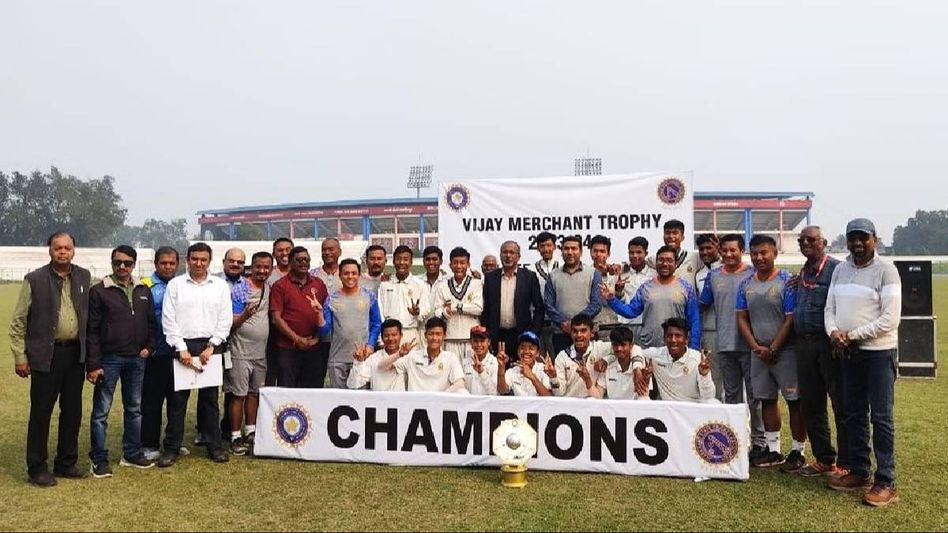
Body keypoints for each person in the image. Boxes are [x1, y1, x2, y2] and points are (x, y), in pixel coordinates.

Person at [825, 218, 902, 507]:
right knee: (853, 413)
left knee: (881, 417)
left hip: (878, 353)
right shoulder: (841, 269)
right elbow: (829, 308)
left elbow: (889, 319)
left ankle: (886, 481)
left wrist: (852, 335)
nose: (857, 243)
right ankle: (860, 472)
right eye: (852, 238)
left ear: (875, 240)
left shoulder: (887, 271)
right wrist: (833, 332)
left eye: (863, 238)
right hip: (848, 352)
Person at [10, 232, 91, 487]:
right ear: (50, 251)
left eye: (67, 248)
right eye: (58, 248)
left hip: (75, 354)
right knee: (41, 412)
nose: (63, 252)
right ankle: (37, 467)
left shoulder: (83, 277)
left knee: (72, 411)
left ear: (74, 250)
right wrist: (20, 357)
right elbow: (18, 321)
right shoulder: (35, 279)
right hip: (46, 355)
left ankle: (66, 462)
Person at [158, 242, 233, 467]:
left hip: (211, 346)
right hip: (183, 345)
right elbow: (168, 319)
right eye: (195, 259)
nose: (199, 263)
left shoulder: (219, 286)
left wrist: (213, 345)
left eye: (203, 259)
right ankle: (171, 448)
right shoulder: (176, 285)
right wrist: (181, 348)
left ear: (209, 261)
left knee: (210, 400)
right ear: (187, 260)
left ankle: (214, 446)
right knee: (177, 401)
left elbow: (225, 318)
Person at [736, 234, 807, 471]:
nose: (759, 257)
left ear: (775, 253)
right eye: (754, 253)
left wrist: (774, 347)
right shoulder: (746, 284)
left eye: (764, 252)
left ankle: (798, 451)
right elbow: (741, 318)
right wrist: (756, 346)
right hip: (759, 352)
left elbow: (790, 319)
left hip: (785, 351)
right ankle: (773, 450)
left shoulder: (787, 280)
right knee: (766, 400)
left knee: (794, 401)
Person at [86, 245, 157, 477]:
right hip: (109, 360)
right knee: (101, 412)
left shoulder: (143, 290)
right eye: (117, 262)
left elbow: (150, 324)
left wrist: (149, 347)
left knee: (134, 409)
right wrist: (94, 364)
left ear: (134, 264)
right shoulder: (99, 291)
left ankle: (132, 453)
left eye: (127, 263)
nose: (122, 267)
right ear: (112, 263)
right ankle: (98, 458)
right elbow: (92, 331)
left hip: (136, 359)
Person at [697, 234, 766, 460]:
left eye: (732, 250)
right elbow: (702, 303)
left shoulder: (753, 273)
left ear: (741, 250)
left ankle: (759, 442)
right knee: (732, 396)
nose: (728, 254)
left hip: (751, 345)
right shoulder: (713, 276)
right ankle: (735, 440)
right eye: (724, 250)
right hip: (724, 344)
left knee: (755, 397)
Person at [793, 226, 849, 478]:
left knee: (841, 403)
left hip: (829, 345)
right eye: (802, 240)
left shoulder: (838, 269)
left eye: (812, 239)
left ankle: (848, 462)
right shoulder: (804, 271)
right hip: (804, 345)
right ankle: (824, 458)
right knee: (811, 405)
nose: (806, 243)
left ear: (824, 242)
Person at [602, 245, 701, 350]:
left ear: (676, 264)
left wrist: (693, 348)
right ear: (656, 263)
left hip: (676, 348)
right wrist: (611, 300)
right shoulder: (646, 287)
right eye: (661, 260)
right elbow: (631, 311)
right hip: (650, 348)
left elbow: (694, 320)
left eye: (669, 260)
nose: (665, 264)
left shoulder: (686, 288)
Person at [224, 251, 273, 456]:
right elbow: (231, 322)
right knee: (238, 395)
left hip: (260, 353)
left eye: (266, 267)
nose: (262, 271)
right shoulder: (240, 288)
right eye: (258, 266)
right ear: (251, 267)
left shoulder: (268, 288)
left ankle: (250, 431)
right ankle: (235, 436)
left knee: (254, 394)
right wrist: (245, 315)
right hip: (239, 351)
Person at [141, 247, 187, 462]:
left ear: (178, 264)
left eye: (171, 263)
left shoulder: (183, 285)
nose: (168, 267)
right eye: (163, 263)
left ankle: (173, 442)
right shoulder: (145, 286)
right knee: (152, 400)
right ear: (156, 264)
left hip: (180, 353)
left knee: (177, 401)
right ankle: (149, 444)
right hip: (155, 352)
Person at [269, 246, 329, 388]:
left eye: (306, 260)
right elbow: (276, 318)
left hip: (314, 347)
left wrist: (317, 338)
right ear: (290, 262)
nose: (303, 263)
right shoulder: (280, 286)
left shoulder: (318, 284)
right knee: (288, 390)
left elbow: (325, 313)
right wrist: (297, 339)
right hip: (288, 348)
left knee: (313, 390)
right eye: (299, 260)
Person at [318, 258, 382, 388]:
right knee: (339, 400)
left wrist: (370, 344)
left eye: (354, 273)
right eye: (346, 273)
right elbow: (325, 330)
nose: (350, 277)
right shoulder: (331, 299)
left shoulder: (369, 296)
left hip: (362, 357)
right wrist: (318, 313)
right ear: (340, 276)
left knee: (361, 399)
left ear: (359, 275)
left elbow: (376, 323)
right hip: (338, 359)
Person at [480, 241, 544, 364]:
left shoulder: (529, 277)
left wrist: (533, 333)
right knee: (498, 371)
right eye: (505, 252)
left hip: (521, 335)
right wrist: (487, 334)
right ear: (500, 255)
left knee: (521, 371)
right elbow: (486, 309)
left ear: (518, 257)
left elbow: (539, 308)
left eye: (512, 252)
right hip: (496, 335)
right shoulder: (491, 278)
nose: (508, 256)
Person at [631, 318, 717, 403]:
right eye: (669, 336)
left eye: (678, 336)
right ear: (664, 338)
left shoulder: (697, 359)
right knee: (641, 399)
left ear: (686, 339)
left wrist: (704, 376)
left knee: (714, 403)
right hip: (668, 411)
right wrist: (637, 369)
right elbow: (635, 349)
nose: (673, 340)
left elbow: (709, 397)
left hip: (693, 409)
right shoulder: (657, 355)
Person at [544, 235, 603, 356]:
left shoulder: (593, 274)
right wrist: (563, 323)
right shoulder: (553, 276)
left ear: (581, 252)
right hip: (561, 333)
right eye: (566, 249)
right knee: (562, 371)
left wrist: (576, 324)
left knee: (590, 370)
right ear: (561, 252)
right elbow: (548, 305)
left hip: (587, 334)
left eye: (574, 249)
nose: (570, 252)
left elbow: (596, 303)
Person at [380, 317, 466, 392]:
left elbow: (460, 383)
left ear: (444, 336)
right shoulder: (413, 356)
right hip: (416, 406)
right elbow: (381, 367)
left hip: (439, 405)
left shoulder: (450, 357)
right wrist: (399, 354)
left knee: (463, 392)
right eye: (431, 334)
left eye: (438, 334)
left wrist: (439, 397)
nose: (434, 338)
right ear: (425, 335)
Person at [433, 247, 484, 359]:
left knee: (472, 373)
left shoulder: (476, 284)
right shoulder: (442, 286)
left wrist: (456, 306)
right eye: (455, 263)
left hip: (472, 339)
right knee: (452, 374)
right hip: (450, 339)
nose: (459, 266)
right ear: (450, 265)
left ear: (468, 264)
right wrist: (445, 312)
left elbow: (478, 308)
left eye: (462, 263)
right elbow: (437, 311)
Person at [547, 314, 614, 398]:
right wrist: (553, 377)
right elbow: (559, 393)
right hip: (570, 405)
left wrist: (606, 360)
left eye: (583, 331)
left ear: (592, 333)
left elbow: (628, 349)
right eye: (575, 331)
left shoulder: (600, 348)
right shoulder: (562, 357)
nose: (578, 335)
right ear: (570, 333)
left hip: (593, 405)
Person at [378, 246, 430, 348]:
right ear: (393, 261)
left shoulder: (420, 285)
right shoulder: (385, 285)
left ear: (411, 262)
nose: (402, 263)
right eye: (398, 259)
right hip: (390, 335)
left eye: (406, 259)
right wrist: (381, 339)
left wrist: (418, 312)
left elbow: (426, 309)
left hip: (411, 332)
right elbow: (381, 312)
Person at [695, 233, 724, 401]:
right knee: (713, 374)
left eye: (709, 248)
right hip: (709, 330)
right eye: (701, 249)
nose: (705, 252)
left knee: (732, 377)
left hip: (731, 329)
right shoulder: (699, 274)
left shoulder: (727, 268)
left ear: (717, 247)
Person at [615, 236, 656, 344]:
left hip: (648, 325)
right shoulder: (621, 274)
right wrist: (618, 291)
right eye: (631, 252)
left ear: (646, 253)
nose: (635, 256)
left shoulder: (654, 274)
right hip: (626, 325)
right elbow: (618, 301)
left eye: (639, 252)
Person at [347, 319, 408, 391]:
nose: (390, 338)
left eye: (394, 335)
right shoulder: (374, 358)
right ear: (382, 338)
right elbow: (353, 384)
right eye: (386, 335)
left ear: (401, 336)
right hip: (379, 401)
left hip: (402, 401)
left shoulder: (409, 357)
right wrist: (358, 362)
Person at [265, 238, 294, 386]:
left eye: (288, 250)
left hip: (295, 333)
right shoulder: (268, 276)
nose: (284, 253)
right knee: (271, 374)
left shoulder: (302, 274)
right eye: (280, 250)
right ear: (274, 254)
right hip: (272, 332)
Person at [587, 326, 644, 400]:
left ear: (631, 346)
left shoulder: (641, 367)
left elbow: (644, 397)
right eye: (615, 345)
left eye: (623, 345)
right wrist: (587, 379)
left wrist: (637, 368)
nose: (619, 349)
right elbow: (598, 397)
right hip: (612, 409)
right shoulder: (607, 366)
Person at [528, 231, 560, 359]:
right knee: (539, 359)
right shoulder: (531, 270)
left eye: (549, 245)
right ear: (537, 248)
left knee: (557, 358)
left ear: (555, 247)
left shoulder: (562, 267)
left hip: (558, 323)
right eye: (542, 246)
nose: (546, 249)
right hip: (538, 322)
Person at [589, 235, 624, 341]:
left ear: (608, 254)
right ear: (590, 253)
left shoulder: (617, 273)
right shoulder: (586, 273)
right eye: (595, 251)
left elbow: (621, 301)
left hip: (614, 326)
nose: (598, 254)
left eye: (602, 251)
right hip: (593, 328)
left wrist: (618, 290)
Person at [496, 331, 552, 396]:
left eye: (531, 348)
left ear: (538, 353)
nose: (526, 351)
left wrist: (532, 377)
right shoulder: (512, 371)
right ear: (518, 351)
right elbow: (502, 390)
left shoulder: (544, 369)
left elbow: (548, 396)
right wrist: (501, 368)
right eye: (522, 348)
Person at [651, 219, 703, 288]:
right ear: (663, 236)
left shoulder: (695, 258)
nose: (671, 236)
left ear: (682, 237)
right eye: (667, 233)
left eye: (675, 233)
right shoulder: (655, 260)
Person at [461, 325, 499, 395]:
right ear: (471, 343)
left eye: (482, 341)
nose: (479, 344)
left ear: (489, 342)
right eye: (475, 341)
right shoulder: (464, 362)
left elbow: (494, 392)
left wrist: (482, 372)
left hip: (488, 405)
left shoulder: (495, 362)